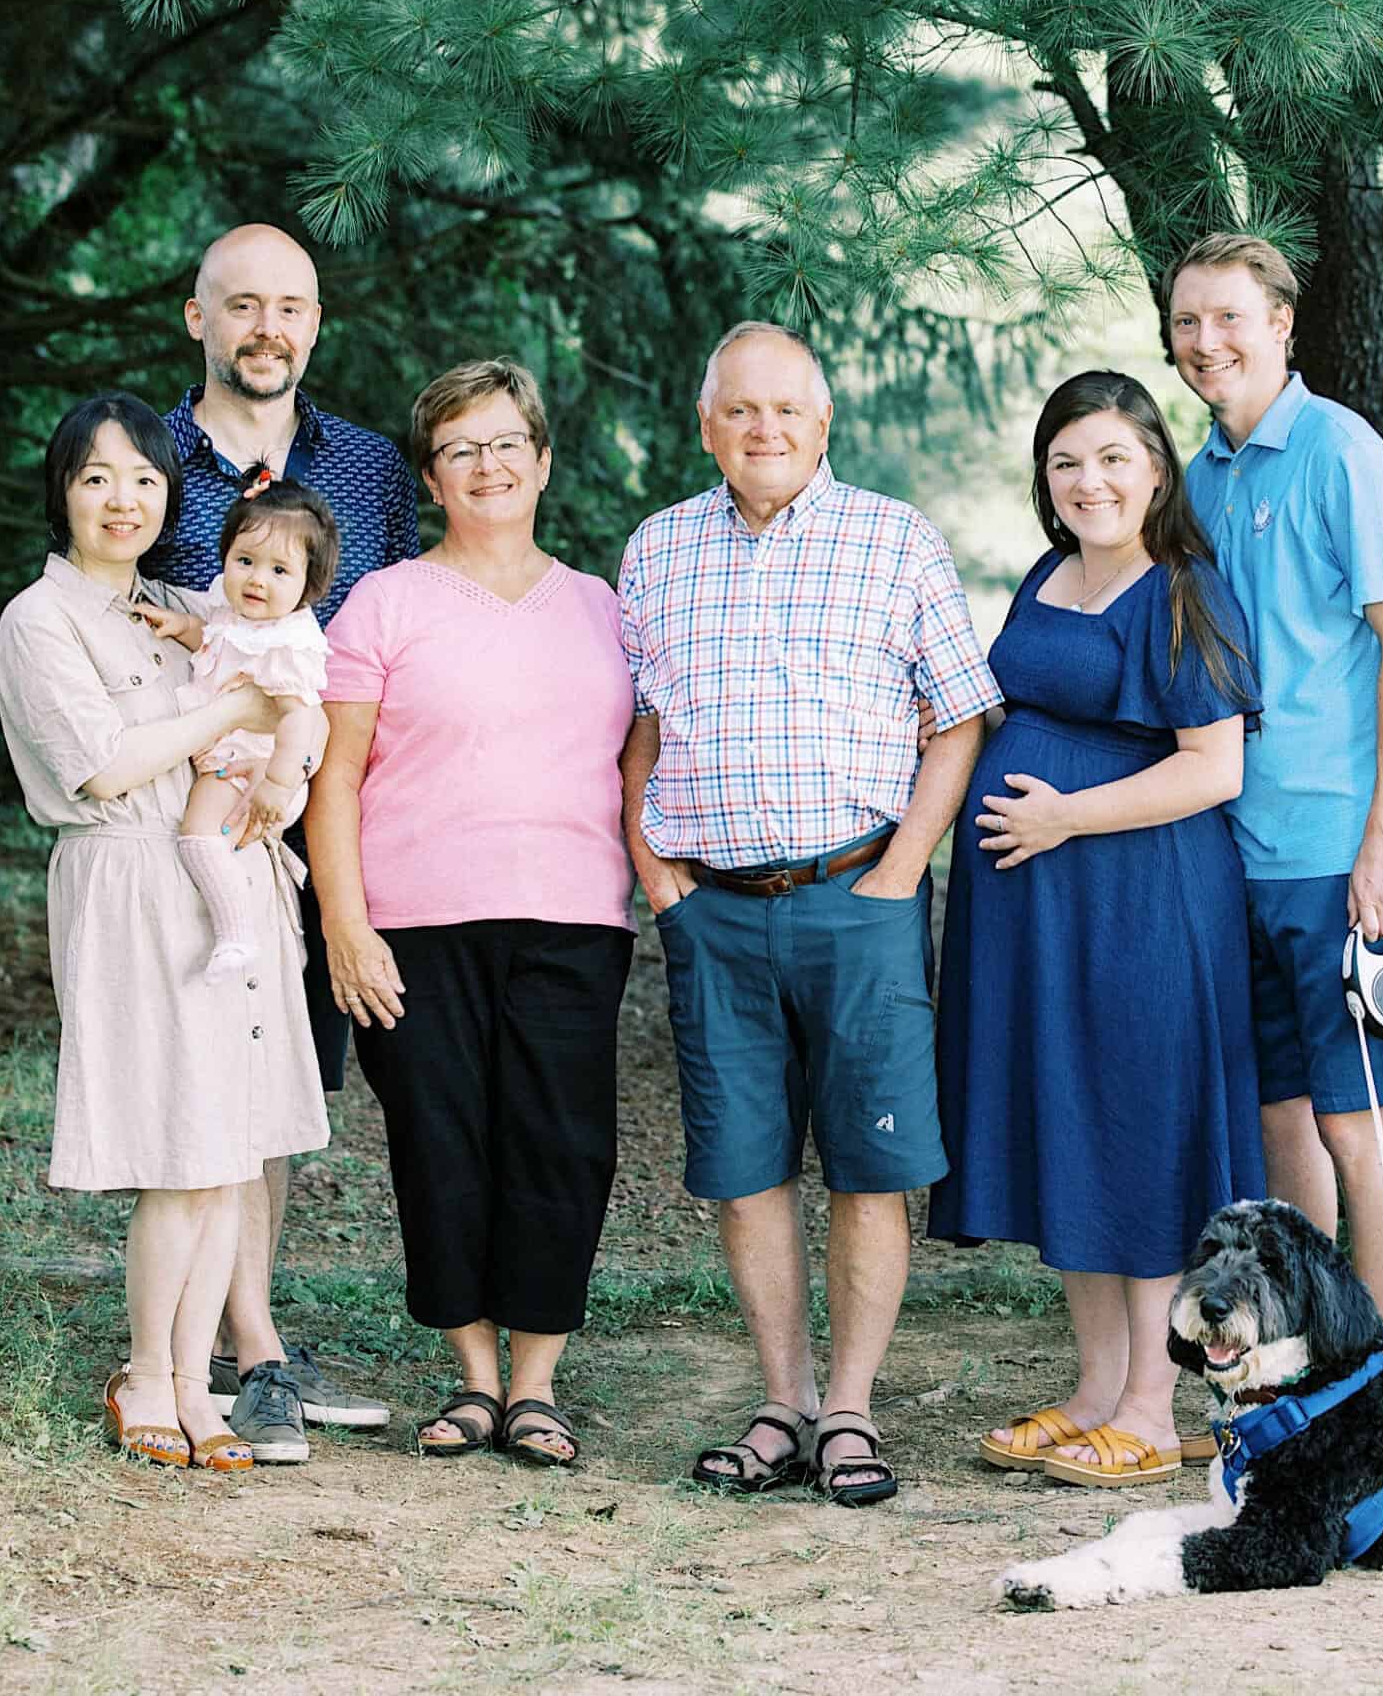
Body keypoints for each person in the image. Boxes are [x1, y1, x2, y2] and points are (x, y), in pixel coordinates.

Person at [620, 321, 1001, 1505]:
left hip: (857, 896)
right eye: (740, 411)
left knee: (870, 1167)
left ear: (823, 424)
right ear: (707, 427)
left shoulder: (892, 540)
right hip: (716, 912)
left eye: (787, 410)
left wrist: (903, 868)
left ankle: (851, 1411)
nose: (765, 429)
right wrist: (657, 877)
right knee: (743, 1170)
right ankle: (781, 1399)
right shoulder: (659, 549)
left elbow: (959, 718)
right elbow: (638, 726)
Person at [930, 370, 1265, 1488]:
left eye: (1114, 458)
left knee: (1137, 1136)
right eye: (1067, 460)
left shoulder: (1182, 591)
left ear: (1157, 470)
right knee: (1068, 1130)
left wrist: (1064, 816)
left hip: (1140, 905)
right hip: (1043, 915)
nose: (1090, 481)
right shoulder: (1049, 571)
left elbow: (1212, 770)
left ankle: (1155, 1410)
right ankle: (1090, 1391)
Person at [310, 360, 643, 1468]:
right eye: (462, 450)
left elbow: (639, 760)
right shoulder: (383, 602)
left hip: (572, 920)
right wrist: (344, 926)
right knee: (441, 1146)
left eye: (508, 444)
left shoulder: (604, 609)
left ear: (543, 462)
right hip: (411, 926)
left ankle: (537, 1386)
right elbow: (334, 776)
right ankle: (469, 1380)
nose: (489, 465)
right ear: (431, 478)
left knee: (562, 1148)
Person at [0, 389, 330, 1473]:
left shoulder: (194, 601)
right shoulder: (38, 621)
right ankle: (143, 1372)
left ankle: (196, 1382)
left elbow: (301, 705)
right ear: (63, 494)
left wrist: (284, 762)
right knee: (180, 1148)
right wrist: (235, 713)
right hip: (134, 879)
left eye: (143, 477)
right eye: (97, 477)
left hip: (235, 870)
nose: (122, 498)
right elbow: (106, 764)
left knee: (230, 1153)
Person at [139, 222, 418, 1455]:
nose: (267, 328)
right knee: (201, 1071)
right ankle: (220, 1350)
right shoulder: (143, 456)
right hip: (176, 814)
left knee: (275, 1068)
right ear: (196, 317)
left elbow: (394, 639)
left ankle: (243, 1343)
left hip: (307, 815)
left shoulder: (364, 468)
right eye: (240, 304)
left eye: (290, 307)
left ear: (315, 323)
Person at [1164, 231, 1383, 1333]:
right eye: (1188, 321)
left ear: (1281, 324)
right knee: (1283, 1121)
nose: (1206, 341)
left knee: (1357, 1122)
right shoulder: (1199, 477)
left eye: (1229, 316)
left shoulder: (1342, 454)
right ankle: (1306, 1356)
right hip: (1242, 851)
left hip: (1345, 853)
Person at [135, 467, 335, 982]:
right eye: (245, 561)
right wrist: (180, 625)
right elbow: (216, 638)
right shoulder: (237, 616)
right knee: (206, 837)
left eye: (279, 571)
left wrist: (277, 783)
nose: (256, 579)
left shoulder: (289, 643)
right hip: (241, 762)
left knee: (199, 836)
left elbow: (297, 718)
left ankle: (236, 935)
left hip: (259, 771)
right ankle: (241, 931)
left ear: (308, 586)